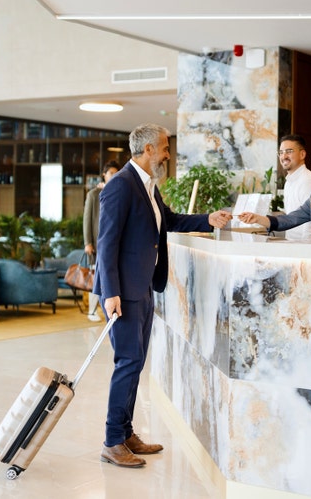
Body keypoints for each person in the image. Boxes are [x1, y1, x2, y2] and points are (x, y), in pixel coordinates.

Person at [94, 123, 231, 469]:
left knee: (135, 363)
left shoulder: (147, 185)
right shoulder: (120, 187)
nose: (169, 154)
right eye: (165, 148)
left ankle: (125, 433)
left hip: (142, 288)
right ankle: (112, 441)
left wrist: (207, 219)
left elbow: (167, 220)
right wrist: (110, 293)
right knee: (127, 363)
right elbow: (106, 245)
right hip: (122, 293)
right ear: (147, 150)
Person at [82, 160, 121, 321]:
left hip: (113, 244)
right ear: (104, 175)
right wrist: (87, 242)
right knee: (96, 277)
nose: (114, 176)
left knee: (107, 278)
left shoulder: (119, 192)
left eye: (116, 173)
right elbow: (87, 219)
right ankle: (92, 310)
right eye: (111, 173)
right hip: (97, 244)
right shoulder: (93, 194)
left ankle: (101, 309)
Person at [278, 134, 311, 240]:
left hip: (303, 247)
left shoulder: (308, 180)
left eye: (289, 151)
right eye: (281, 152)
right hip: (291, 245)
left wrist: (306, 250)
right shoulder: (288, 182)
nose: (284, 156)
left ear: (302, 154)